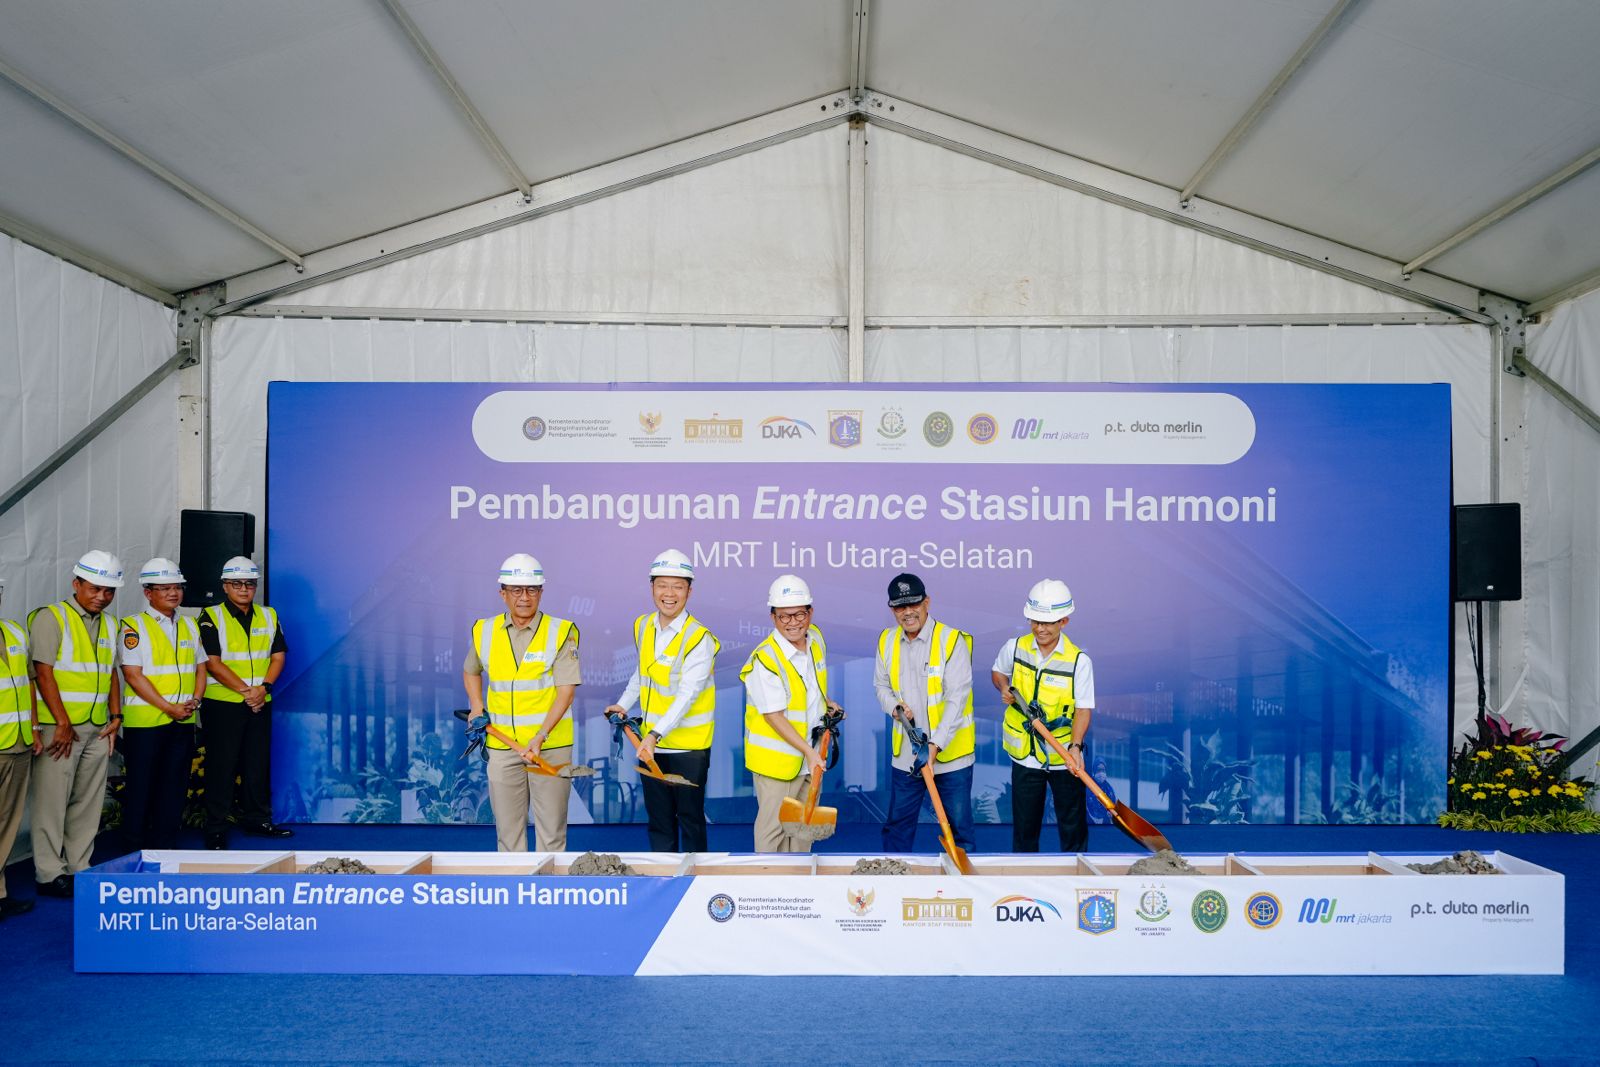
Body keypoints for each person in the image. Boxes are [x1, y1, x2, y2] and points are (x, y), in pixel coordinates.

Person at [463, 553, 581, 852]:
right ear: (502, 593)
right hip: (503, 748)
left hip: (549, 748)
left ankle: (549, 884)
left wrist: (540, 737)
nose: (524, 597)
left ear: (541, 592)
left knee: (551, 835)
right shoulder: (484, 630)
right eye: (516, 590)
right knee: (508, 835)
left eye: (531, 589)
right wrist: (476, 706)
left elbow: (566, 692)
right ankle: (515, 884)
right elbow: (471, 670)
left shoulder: (561, 631)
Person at [605, 549, 719, 852]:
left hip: (688, 748)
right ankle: (664, 877)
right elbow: (642, 673)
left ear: (689, 591)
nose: (669, 594)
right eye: (662, 585)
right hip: (651, 746)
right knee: (659, 822)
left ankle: (695, 878)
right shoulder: (643, 625)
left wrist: (655, 734)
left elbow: (687, 695)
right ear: (652, 587)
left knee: (691, 821)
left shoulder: (700, 638)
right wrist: (623, 704)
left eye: (678, 586)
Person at [29, 550, 124, 897]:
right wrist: (62, 722)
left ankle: (79, 866)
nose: (102, 596)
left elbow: (110, 673)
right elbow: (42, 673)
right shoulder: (51, 617)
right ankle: (49, 873)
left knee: (88, 802)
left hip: (97, 726)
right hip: (60, 729)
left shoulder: (111, 624)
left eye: (109, 590)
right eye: (95, 588)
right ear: (76, 583)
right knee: (52, 802)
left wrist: (116, 716)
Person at [990, 578, 1096, 853]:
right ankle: (1025, 876)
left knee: (1073, 830)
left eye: (1047, 623)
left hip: (1063, 756)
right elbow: (998, 671)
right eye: (1035, 621)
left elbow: (1083, 709)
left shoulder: (1079, 662)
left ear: (1064, 621)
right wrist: (1003, 686)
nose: (1040, 628)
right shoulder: (1015, 647)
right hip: (1025, 755)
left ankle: (1076, 872)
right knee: (1025, 832)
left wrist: (1075, 747)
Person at [873, 572, 975, 853]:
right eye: (900, 607)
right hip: (908, 756)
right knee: (898, 828)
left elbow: (956, 700)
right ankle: (894, 876)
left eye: (913, 604)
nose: (907, 612)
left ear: (927, 602)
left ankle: (961, 881)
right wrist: (893, 706)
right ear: (892, 609)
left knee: (959, 831)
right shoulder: (886, 640)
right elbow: (881, 685)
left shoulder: (952, 641)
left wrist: (935, 745)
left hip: (951, 758)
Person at [739, 574, 841, 853]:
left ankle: (798, 880)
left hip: (811, 756)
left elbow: (808, 687)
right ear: (773, 617)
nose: (793, 622)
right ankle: (769, 880)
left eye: (799, 614)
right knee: (773, 832)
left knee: (803, 831)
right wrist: (809, 753)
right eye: (784, 616)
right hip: (778, 763)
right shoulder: (765, 660)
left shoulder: (815, 639)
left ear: (810, 613)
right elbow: (773, 716)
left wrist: (826, 703)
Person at [198, 556, 290, 849]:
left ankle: (257, 819)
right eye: (236, 583)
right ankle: (216, 827)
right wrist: (248, 691)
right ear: (225, 586)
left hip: (260, 701)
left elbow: (278, 657)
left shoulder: (269, 615)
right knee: (221, 767)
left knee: (257, 764)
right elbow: (212, 663)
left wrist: (264, 688)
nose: (244, 589)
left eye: (249, 584)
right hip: (223, 704)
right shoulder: (210, 616)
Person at [118, 558, 204, 851]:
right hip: (146, 723)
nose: (173, 593)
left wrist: (196, 700)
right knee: (141, 787)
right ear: (148, 593)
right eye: (164, 588)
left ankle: (165, 848)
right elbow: (133, 675)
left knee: (174, 788)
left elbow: (201, 667)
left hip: (183, 721)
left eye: (177, 587)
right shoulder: (133, 626)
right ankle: (133, 849)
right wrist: (169, 708)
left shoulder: (189, 624)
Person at [0, 576, 39, 918]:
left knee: (7, 823)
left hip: (19, 742)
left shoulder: (14, 632)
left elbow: (29, 683)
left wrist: (35, 729)